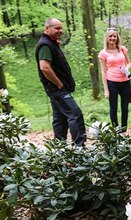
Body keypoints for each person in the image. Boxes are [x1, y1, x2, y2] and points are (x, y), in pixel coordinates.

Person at [35, 18, 87, 146]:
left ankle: (60, 148)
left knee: (60, 119)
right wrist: (59, 84)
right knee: (75, 114)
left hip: (58, 88)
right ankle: (80, 148)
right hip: (56, 88)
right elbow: (44, 67)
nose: (60, 31)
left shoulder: (52, 43)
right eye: (57, 28)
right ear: (47, 28)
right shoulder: (45, 45)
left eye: (61, 28)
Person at [98, 28, 131, 131]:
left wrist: (126, 68)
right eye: (110, 36)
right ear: (107, 38)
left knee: (125, 107)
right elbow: (103, 72)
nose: (113, 38)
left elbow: (129, 62)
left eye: (114, 36)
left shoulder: (122, 49)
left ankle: (124, 128)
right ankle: (116, 129)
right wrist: (106, 90)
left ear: (117, 37)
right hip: (112, 81)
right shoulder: (103, 53)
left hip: (125, 81)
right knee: (113, 107)